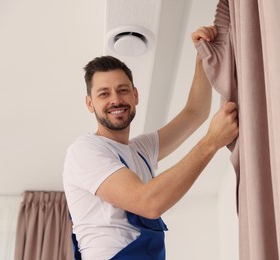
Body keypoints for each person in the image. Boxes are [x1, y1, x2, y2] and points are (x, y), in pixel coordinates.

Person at [63, 26, 238, 260]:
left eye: (122, 90)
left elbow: (195, 113)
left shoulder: (141, 150)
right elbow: (147, 202)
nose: (115, 99)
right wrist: (211, 142)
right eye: (104, 94)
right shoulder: (85, 150)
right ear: (89, 104)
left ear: (135, 96)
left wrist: (202, 56)